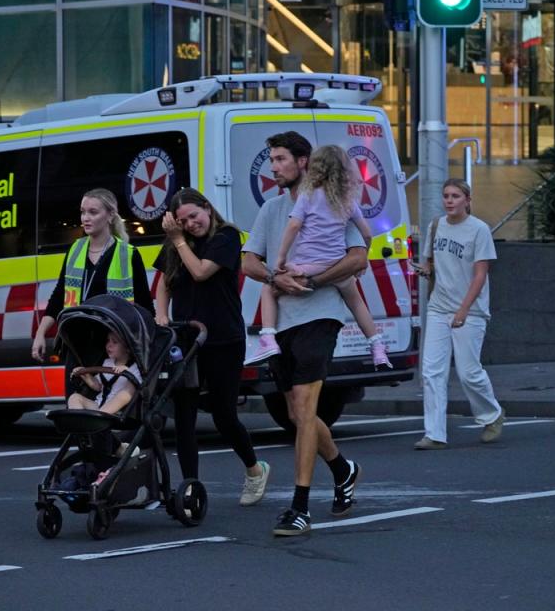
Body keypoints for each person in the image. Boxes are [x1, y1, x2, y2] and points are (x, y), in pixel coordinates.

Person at [242, 131, 364, 537]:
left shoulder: (331, 201)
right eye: (271, 159)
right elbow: (248, 261)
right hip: (282, 322)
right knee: (297, 415)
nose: (273, 167)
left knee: (307, 409)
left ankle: (299, 507)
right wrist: (278, 277)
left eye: (279, 159)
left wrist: (314, 281)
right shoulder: (272, 208)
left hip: (321, 314)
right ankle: (343, 469)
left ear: (303, 162)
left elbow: (359, 255)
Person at [153, 188, 270, 507]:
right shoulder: (178, 242)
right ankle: (190, 485)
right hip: (187, 341)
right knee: (185, 415)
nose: (191, 224)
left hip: (223, 338)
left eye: (194, 216)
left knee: (223, 414)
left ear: (208, 208)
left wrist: (178, 239)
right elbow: (164, 281)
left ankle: (254, 469)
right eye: (182, 221)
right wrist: (162, 315)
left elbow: (202, 272)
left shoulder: (227, 236)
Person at [245, 144, 391, 370]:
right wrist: (364, 261)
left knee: (270, 288)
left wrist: (281, 258)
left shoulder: (308, 196)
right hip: (336, 263)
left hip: (310, 265)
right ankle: (377, 346)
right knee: (355, 300)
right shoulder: (346, 201)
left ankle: (268, 338)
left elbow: (293, 226)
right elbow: (366, 233)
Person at [31, 188, 154, 395]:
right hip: (76, 341)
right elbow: (59, 295)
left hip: (110, 344)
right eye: (82, 212)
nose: (85, 218)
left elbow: (143, 304)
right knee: (74, 404)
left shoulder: (128, 254)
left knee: (103, 409)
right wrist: (40, 333)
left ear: (110, 215)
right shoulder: (75, 249)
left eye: (93, 212)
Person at [415, 179, 505, 450]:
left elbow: (480, 274)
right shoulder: (436, 225)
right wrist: (426, 269)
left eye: (455, 196)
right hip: (438, 307)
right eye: (446, 196)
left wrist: (464, 309)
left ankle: (492, 414)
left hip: (471, 310)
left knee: (468, 372)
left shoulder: (479, 230)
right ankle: (434, 434)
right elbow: (431, 261)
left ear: (467, 199)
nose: (449, 201)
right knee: (431, 371)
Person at [66, 330, 141, 416]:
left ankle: (97, 418)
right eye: (108, 340)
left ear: (127, 348)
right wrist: (85, 374)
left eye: (115, 342)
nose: (109, 345)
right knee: (74, 397)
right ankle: (80, 422)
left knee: (127, 392)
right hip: (99, 406)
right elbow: (98, 386)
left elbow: (135, 387)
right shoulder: (107, 362)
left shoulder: (134, 367)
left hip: (118, 411)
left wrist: (127, 370)